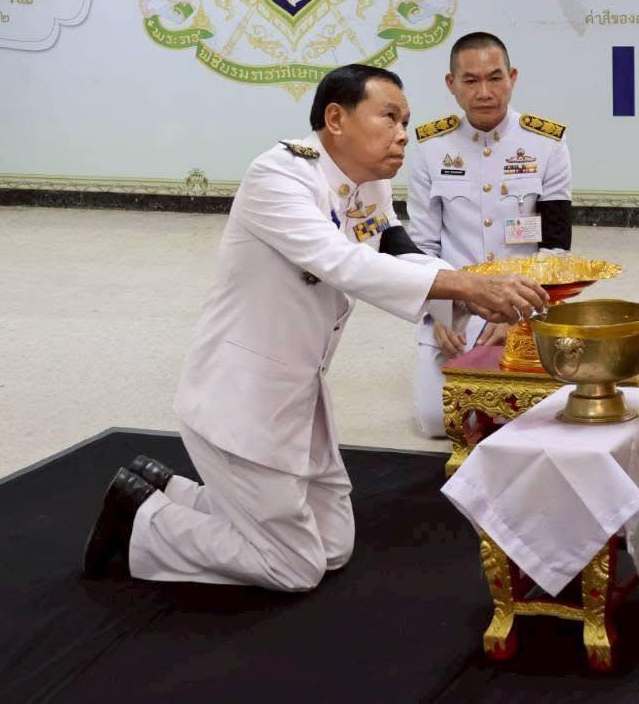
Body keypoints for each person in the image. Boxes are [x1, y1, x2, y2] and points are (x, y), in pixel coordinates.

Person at [81, 64, 548, 591]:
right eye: (389, 117)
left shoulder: (366, 184)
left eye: (406, 120)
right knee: (295, 568)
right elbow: (341, 261)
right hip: (239, 396)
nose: (402, 134)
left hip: (298, 390)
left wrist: (472, 290)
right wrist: (467, 289)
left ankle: (175, 491)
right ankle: (143, 521)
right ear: (336, 118)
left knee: (333, 546)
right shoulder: (278, 176)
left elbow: (394, 247)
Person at [407, 32, 573, 437]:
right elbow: (422, 247)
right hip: (457, 306)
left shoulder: (546, 144)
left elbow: (554, 246)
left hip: (525, 304)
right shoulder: (431, 148)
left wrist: (521, 316)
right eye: (471, 80)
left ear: (512, 78)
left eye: (495, 78)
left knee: (542, 415)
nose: (485, 92)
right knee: (438, 422)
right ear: (452, 85)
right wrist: (440, 311)